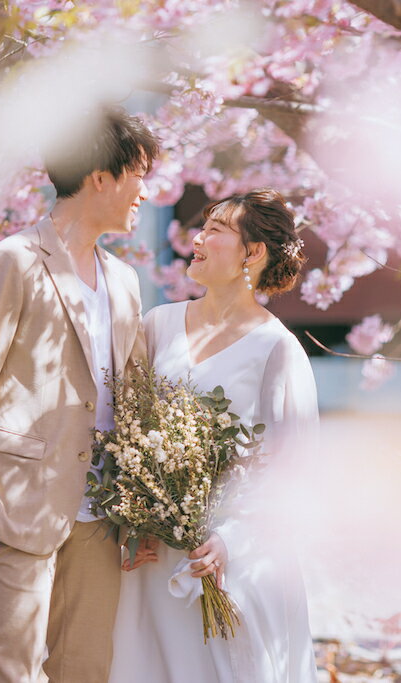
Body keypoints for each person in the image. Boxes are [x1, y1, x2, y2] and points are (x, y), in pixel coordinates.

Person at [0, 105, 159, 682]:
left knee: (85, 670)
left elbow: (131, 400)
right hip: (18, 507)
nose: (146, 193)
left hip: (101, 515)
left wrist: (139, 507)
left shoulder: (125, 281)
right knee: (9, 671)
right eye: (140, 175)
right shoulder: (11, 263)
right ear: (101, 177)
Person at [110, 188, 319, 682]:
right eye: (202, 228)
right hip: (155, 558)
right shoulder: (157, 325)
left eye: (216, 230)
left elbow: (297, 474)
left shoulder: (279, 351)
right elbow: (124, 428)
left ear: (253, 252)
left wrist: (233, 540)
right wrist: (136, 514)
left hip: (235, 562)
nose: (197, 240)